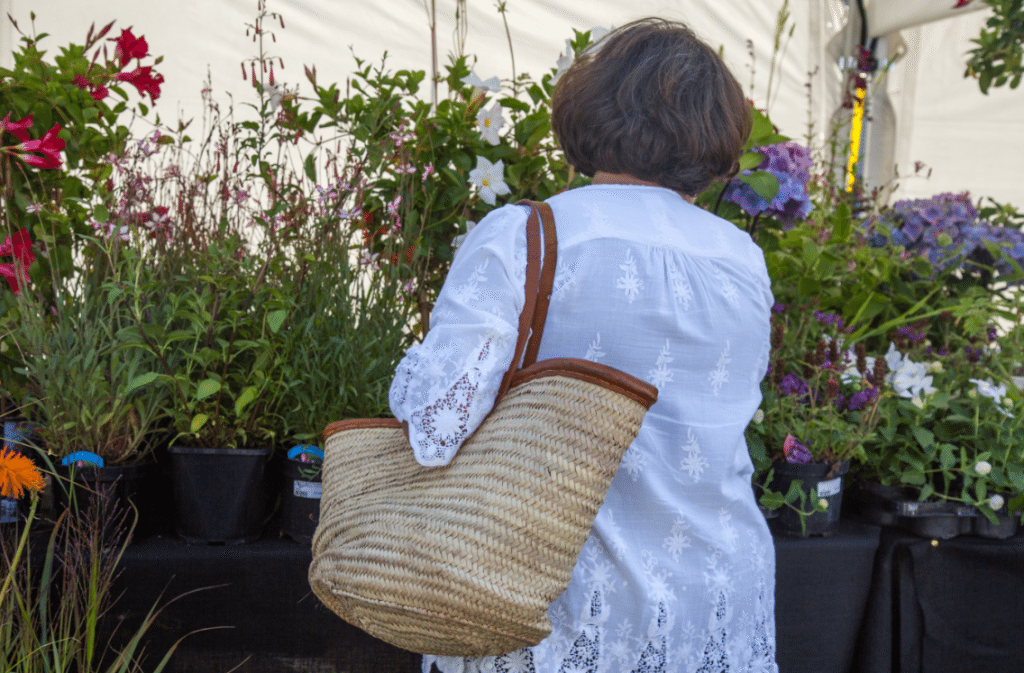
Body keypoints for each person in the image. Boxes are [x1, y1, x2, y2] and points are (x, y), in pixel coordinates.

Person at [389, 17, 778, 673]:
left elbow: (435, 426)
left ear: (589, 111)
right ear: (716, 134)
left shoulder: (524, 236)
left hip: (554, 608)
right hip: (712, 605)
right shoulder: (741, 258)